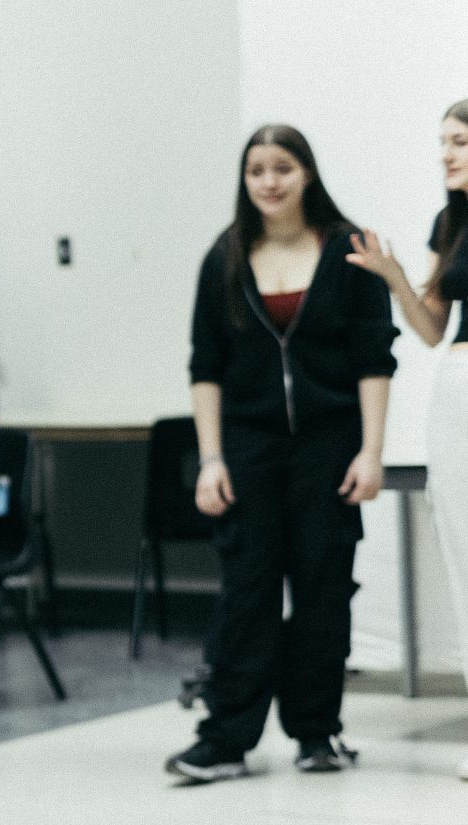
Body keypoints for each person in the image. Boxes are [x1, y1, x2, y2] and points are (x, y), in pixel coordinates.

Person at [168, 125, 397, 782]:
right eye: (256, 170)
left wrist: (372, 452)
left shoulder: (349, 250)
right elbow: (204, 367)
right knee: (248, 591)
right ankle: (226, 739)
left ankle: (317, 732)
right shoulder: (227, 256)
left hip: (329, 448)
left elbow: (373, 359)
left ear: (307, 174)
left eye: (282, 168)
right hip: (249, 449)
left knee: (324, 591)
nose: (268, 182)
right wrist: (211, 460)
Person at [347, 99, 468, 778]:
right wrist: (395, 276)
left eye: (460, 142)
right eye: (443, 143)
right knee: (463, 551)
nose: (447, 155)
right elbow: (428, 328)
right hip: (456, 392)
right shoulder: (448, 223)